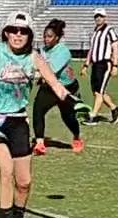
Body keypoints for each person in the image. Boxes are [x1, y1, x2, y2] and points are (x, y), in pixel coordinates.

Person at [0, 12, 70, 218]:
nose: (18, 35)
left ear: (29, 35)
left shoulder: (34, 58)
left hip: (17, 122)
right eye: (13, 30)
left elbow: (56, 84)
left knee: (25, 181)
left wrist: (74, 103)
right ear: (6, 33)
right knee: (6, 169)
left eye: (24, 31)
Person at [30, 18, 85, 155]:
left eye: (49, 37)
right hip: (48, 87)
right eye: (44, 36)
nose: (46, 39)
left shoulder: (63, 51)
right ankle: (40, 143)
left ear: (57, 38)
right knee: (38, 111)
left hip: (65, 88)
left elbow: (50, 71)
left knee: (68, 116)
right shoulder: (42, 50)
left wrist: (34, 75)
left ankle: (77, 137)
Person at [85, 9, 118, 124]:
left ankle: (93, 115)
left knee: (99, 92)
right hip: (95, 64)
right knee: (97, 91)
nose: (98, 18)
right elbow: (92, 49)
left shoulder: (109, 30)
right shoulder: (95, 31)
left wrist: (115, 65)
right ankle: (115, 109)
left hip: (104, 64)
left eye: (101, 16)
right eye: (96, 16)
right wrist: (86, 64)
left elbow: (115, 47)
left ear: (105, 17)